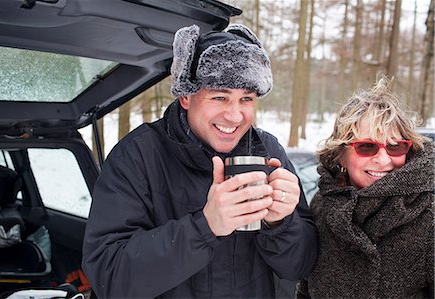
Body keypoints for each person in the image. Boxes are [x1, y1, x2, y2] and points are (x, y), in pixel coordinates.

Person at [82, 23, 318, 298]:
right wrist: (205, 226)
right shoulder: (137, 155)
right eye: (219, 97)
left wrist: (281, 224)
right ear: (186, 96)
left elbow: (300, 267)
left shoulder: (268, 152)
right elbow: (109, 276)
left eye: (246, 99)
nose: (234, 115)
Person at [296, 76, 434, 298]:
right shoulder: (322, 206)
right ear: (340, 155)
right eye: (367, 147)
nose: (383, 159)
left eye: (395, 147)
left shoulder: (428, 215)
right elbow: (305, 289)